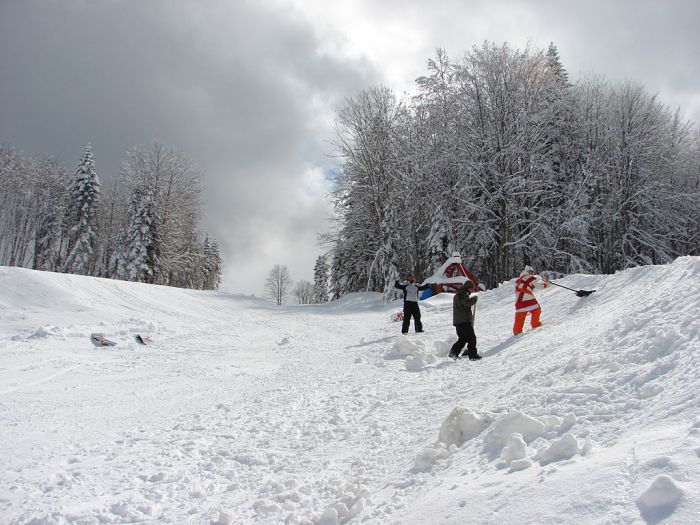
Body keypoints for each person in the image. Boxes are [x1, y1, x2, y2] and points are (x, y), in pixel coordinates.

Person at [449, 280, 481, 360]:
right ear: (468, 288)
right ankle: (473, 356)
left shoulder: (458, 294)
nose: (472, 290)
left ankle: (454, 353)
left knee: (462, 339)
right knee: (471, 338)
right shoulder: (464, 294)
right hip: (464, 321)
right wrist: (474, 299)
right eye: (472, 288)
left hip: (458, 321)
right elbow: (466, 303)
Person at [513, 265, 549, 335]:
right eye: (531, 272)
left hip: (518, 302)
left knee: (520, 315)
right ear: (528, 272)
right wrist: (546, 283)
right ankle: (535, 324)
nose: (532, 274)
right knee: (536, 309)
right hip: (529, 300)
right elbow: (539, 286)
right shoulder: (530, 278)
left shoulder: (518, 280)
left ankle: (517, 331)